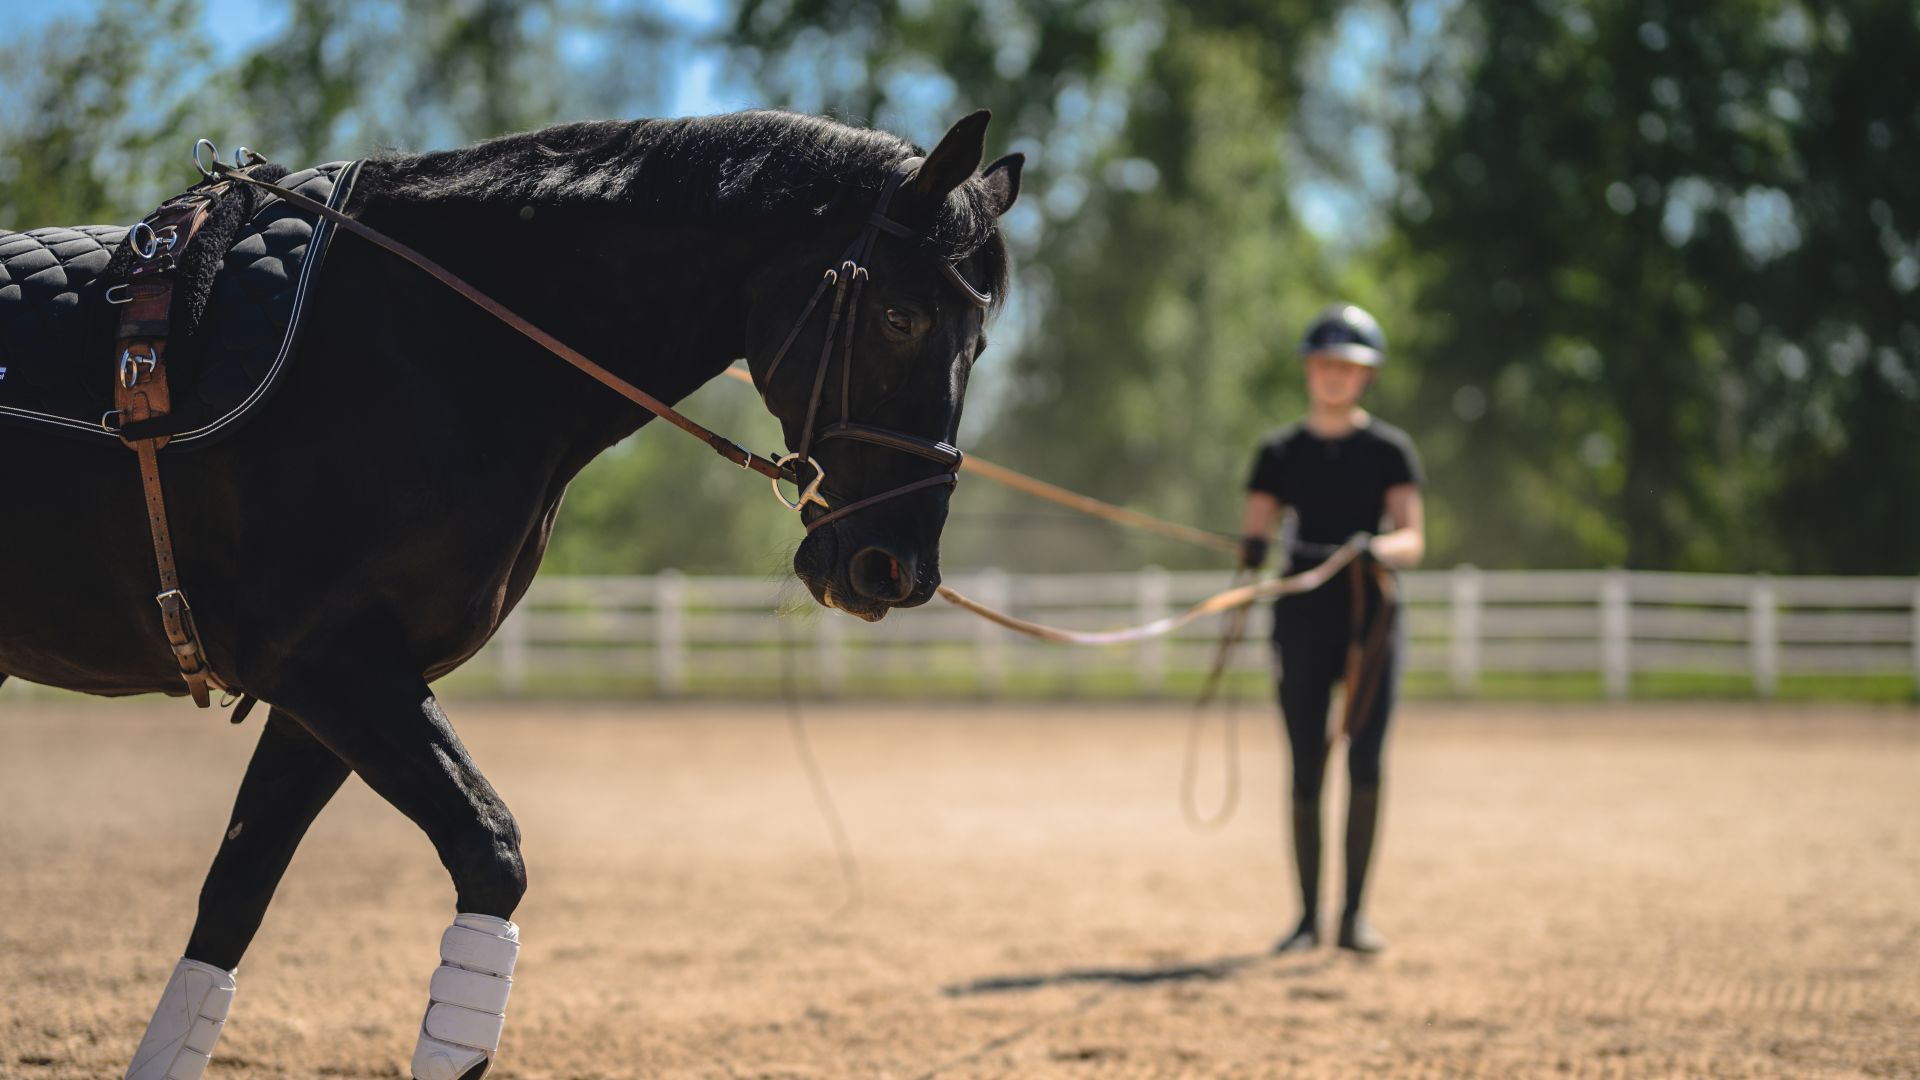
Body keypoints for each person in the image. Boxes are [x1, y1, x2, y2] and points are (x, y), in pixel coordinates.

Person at [1238, 303, 1425, 954]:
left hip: (1370, 621)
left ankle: (1353, 917)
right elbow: (1256, 527)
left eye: (1348, 367)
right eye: (1325, 365)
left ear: (1365, 376)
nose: (1335, 377)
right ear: (1310, 372)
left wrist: (1377, 548)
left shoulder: (1390, 451)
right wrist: (1251, 549)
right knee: (1306, 765)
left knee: (1367, 761)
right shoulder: (1279, 452)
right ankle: (1306, 919)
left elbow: (1412, 537)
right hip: (1301, 620)